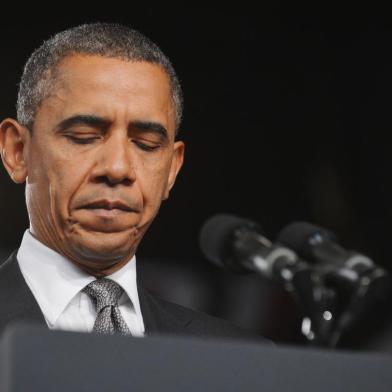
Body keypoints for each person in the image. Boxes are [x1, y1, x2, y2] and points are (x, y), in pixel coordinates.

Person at [0, 22, 266, 341]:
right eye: (84, 137)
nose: (117, 168)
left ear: (171, 170)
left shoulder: (237, 356)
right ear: (17, 152)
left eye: (146, 144)